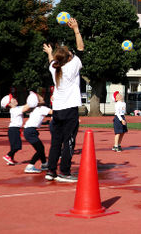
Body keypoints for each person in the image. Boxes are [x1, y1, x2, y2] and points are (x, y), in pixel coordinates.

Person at [43, 17, 84, 182]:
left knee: (56, 142)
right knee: (69, 141)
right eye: (69, 54)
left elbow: (52, 61)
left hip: (57, 110)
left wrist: (49, 53)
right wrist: (76, 28)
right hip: (69, 110)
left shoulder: (55, 69)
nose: (72, 54)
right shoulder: (72, 67)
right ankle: (64, 172)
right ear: (67, 59)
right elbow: (80, 48)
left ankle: (51, 171)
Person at [23, 94, 52, 173]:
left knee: (40, 148)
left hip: (29, 131)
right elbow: (53, 112)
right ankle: (30, 166)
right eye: (39, 97)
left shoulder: (36, 109)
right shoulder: (42, 108)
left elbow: (36, 121)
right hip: (30, 131)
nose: (42, 97)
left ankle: (44, 164)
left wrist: (45, 122)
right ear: (38, 101)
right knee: (40, 149)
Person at [1, 94, 31, 165]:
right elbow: (26, 108)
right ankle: (8, 155)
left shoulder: (17, 108)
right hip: (14, 130)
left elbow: (26, 106)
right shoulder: (14, 110)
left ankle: (11, 159)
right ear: (9, 103)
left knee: (14, 145)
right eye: (12, 99)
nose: (15, 99)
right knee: (17, 146)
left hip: (15, 129)